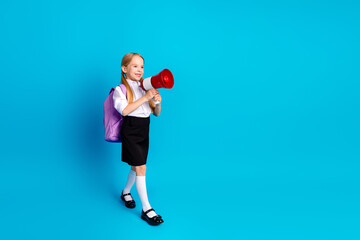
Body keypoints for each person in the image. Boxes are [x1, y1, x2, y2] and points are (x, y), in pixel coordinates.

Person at [113, 52, 164, 226]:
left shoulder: (145, 87)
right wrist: (145, 97)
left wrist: (157, 102)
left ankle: (125, 192)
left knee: (136, 166)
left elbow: (156, 114)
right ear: (124, 68)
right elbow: (125, 111)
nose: (139, 70)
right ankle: (146, 209)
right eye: (135, 66)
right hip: (131, 130)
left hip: (144, 129)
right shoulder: (119, 90)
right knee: (142, 167)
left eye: (141, 66)